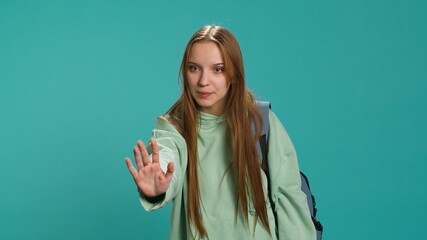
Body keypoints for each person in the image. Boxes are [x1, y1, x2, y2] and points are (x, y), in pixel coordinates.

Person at [125, 25, 316, 240]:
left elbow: (288, 195)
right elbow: (167, 154)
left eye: (218, 69)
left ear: (233, 73)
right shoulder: (174, 126)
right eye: (194, 68)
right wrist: (159, 180)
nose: (203, 81)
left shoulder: (260, 121)